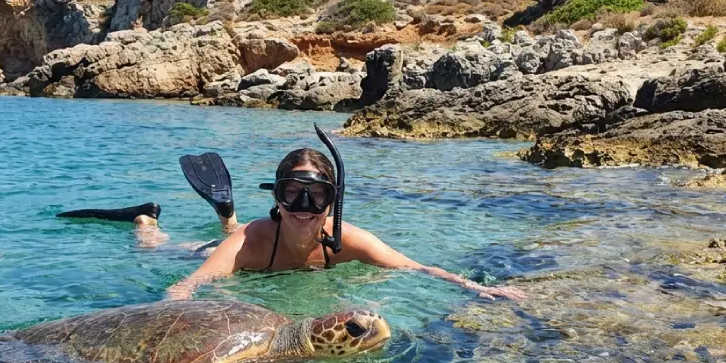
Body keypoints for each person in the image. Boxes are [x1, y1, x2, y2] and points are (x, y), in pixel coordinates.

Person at [58, 127, 526, 302]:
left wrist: (479, 288)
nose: (304, 209)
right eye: (292, 195)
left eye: (315, 196)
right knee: (162, 252)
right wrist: (173, 310)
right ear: (278, 198)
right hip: (225, 247)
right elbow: (189, 284)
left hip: (258, 239)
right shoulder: (252, 242)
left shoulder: (347, 242)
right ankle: (146, 222)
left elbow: (418, 268)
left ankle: (223, 213)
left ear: (332, 201)